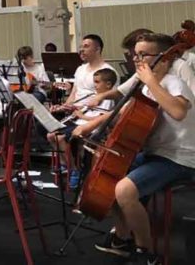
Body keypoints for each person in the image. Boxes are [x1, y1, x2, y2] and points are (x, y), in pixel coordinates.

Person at [72, 33, 195, 265]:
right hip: (155, 154)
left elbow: (178, 112)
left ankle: (147, 253)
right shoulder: (146, 86)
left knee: (125, 190)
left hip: (179, 158)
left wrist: (150, 81)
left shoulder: (172, 82)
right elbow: (122, 109)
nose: (137, 59)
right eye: (135, 54)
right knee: (111, 179)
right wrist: (90, 125)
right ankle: (122, 238)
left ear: (164, 59)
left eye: (143, 55)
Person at [48, 68, 115, 187]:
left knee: (59, 138)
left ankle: (74, 170)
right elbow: (82, 108)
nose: (95, 85)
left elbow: (100, 120)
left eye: (97, 82)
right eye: (94, 82)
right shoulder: (94, 96)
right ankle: (65, 163)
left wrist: (82, 116)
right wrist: (72, 110)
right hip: (79, 122)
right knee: (50, 135)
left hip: (89, 127)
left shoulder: (108, 100)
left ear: (108, 84)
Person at [52, 34, 116, 113]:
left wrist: (76, 108)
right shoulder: (80, 69)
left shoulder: (109, 72)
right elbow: (73, 94)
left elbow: (107, 103)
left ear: (97, 49)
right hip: (74, 114)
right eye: (81, 47)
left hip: (90, 117)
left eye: (86, 46)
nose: (81, 50)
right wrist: (63, 107)